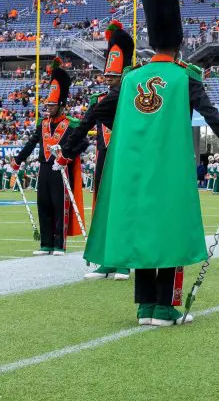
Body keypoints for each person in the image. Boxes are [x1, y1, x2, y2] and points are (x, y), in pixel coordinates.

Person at [59, 0, 219, 326]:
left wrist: (68, 149)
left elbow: (94, 113)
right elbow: (211, 115)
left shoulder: (131, 78)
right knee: (173, 232)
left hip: (132, 169)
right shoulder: (185, 76)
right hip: (170, 168)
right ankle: (165, 306)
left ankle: (145, 306)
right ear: (178, 43)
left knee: (143, 231)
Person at [64, 19, 135, 281]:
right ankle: (105, 260)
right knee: (103, 212)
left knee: (125, 210)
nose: (110, 81)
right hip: (105, 162)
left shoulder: (131, 97)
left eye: (115, 77)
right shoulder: (98, 100)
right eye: (108, 77)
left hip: (127, 160)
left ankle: (125, 261)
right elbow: (86, 126)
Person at [12, 58, 85, 256]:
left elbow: (83, 143)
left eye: (51, 105)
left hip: (61, 169)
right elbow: (32, 143)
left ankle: (59, 244)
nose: (48, 108)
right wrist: (18, 160)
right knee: (43, 204)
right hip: (44, 168)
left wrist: (67, 156)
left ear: (61, 104)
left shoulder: (72, 124)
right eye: (47, 105)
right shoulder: (43, 123)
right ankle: (46, 243)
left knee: (60, 205)